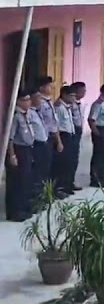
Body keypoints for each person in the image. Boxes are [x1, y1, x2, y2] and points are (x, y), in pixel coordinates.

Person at [6, 92, 38, 221]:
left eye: (29, 100)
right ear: (18, 101)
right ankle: (15, 211)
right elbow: (10, 138)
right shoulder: (15, 116)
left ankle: (25, 207)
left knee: (26, 180)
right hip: (19, 150)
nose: (28, 102)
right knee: (17, 182)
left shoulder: (28, 114)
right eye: (25, 100)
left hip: (28, 149)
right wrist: (12, 155)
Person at [32, 77, 59, 191]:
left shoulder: (49, 101)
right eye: (48, 86)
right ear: (41, 88)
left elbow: (53, 121)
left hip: (50, 137)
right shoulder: (40, 104)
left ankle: (48, 191)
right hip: (42, 139)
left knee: (50, 166)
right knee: (41, 168)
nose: (51, 88)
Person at [52, 85, 79, 197]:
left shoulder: (68, 107)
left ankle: (68, 184)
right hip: (63, 137)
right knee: (62, 163)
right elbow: (56, 126)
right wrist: (59, 141)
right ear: (64, 95)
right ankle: (60, 187)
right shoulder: (59, 108)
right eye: (71, 96)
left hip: (70, 136)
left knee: (71, 162)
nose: (74, 98)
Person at [69, 82, 86, 193]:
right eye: (82, 90)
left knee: (75, 157)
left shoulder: (82, 103)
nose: (84, 93)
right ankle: (67, 183)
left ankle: (71, 181)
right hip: (72, 131)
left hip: (78, 130)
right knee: (70, 158)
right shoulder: (69, 105)